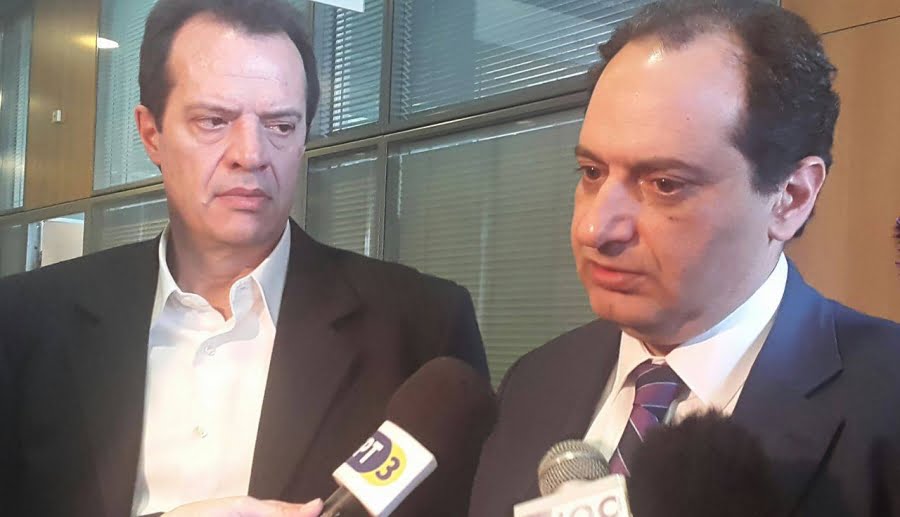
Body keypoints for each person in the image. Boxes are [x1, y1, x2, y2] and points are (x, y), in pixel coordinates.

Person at [0, 1, 488, 516]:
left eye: (281, 125)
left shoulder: (423, 326)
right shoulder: (26, 322)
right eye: (214, 121)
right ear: (151, 134)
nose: (251, 154)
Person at [468, 1, 900, 516]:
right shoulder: (536, 381)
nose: (594, 229)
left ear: (791, 197)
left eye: (665, 184)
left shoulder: (887, 398)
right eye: (592, 173)